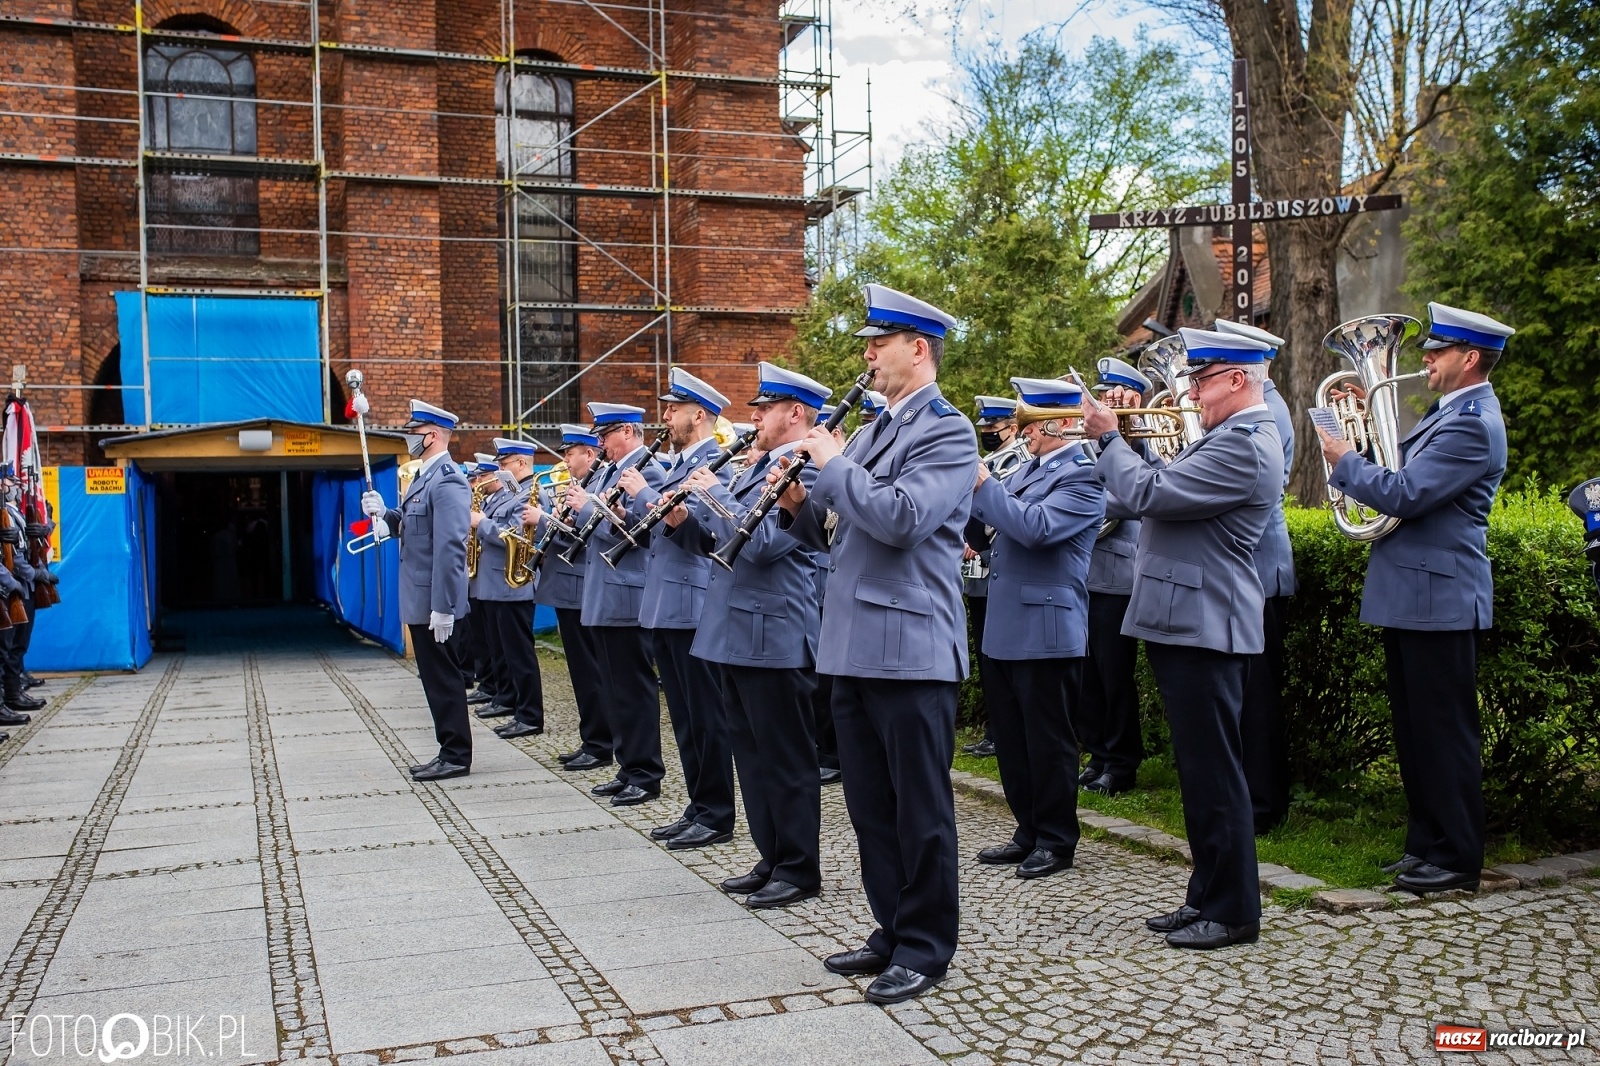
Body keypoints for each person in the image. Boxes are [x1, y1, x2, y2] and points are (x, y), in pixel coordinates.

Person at [776, 283, 976, 1005]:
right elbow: (833, 534)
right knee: (869, 806)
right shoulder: (870, 432)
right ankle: (891, 929)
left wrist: (832, 466)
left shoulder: (947, 431)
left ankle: (926, 947)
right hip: (854, 642)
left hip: (911, 646)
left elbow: (902, 518)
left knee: (919, 810)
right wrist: (798, 501)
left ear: (917, 349)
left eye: (879, 342)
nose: (866, 354)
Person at [1084, 326, 1282, 949]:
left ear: (1237, 379)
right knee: (1201, 773)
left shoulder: (1246, 444)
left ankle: (1234, 911)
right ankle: (1206, 894)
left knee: (1216, 773)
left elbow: (1148, 493)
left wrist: (1109, 437)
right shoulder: (1225, 437)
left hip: (1206, 624)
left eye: (1201, 379)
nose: (1191, 391)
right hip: (1188, 620)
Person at [1316, 302, 1512, 894]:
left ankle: (1456, 858)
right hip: (1417, 593)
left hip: (1440, 595)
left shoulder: (1472, 422)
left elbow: (1404, 493)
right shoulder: (1448, 413)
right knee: (1416, 731)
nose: (1424, 358)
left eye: (1438, 350)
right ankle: (1426, 846)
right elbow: (1397, 472)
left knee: (1443, 733)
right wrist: (1348, 429)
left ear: (1469, 358)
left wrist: (1345, 460)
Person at [669, 363, 832, 905]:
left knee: (784, 758)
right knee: (751, 755)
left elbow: (762, 545)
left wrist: (712, 495)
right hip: (735, 630)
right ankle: (772, 855)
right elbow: (718, 542)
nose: (753, 417)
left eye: (764, 408)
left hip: (777, 633)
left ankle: (799, 868)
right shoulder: (752, 467)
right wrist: (681, 524)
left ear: (797, 414)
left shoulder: (808, 473)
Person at [970, 377, 1104, 879]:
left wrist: (984, 486)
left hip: (1048, 625)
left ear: (1059, 423)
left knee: (1048, 741)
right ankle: (1027, 828)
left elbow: (1036, 529)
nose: (1022, 431)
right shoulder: (1028, 469)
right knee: (1011, 736)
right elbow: (991, 533)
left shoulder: (1083, 475)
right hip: (1007, 623)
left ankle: (1056, 838)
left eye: (1031, 421)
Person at [617, 368, 737, 848]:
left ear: (700, 415)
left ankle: (717, 813)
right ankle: (698, 803)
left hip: (693, 603)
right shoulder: (675, 465)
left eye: (674, 409)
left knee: (706, 717)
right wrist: (630, 512)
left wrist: (645, 497)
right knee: (685, 718)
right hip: (667, 603)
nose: (665, 416)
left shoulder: (717, 466)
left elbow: (705, 538)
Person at [362, 400, 473, 782]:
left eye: (414, 431)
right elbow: (416, 526)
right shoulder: (423, 477)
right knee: (433, 678)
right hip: (421, 597)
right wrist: (387, 517)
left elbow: (450, 548)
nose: (409, 437)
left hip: (434, 602)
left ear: (431, 435)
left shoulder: (448, 479)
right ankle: (448, 748)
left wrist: (443, 607)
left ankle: (457, 754)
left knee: (444, 678)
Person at [1215, 319, 1296, 832]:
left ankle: (1264, 805)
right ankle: (1248, 795)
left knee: (1259, 697)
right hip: (1245, 564)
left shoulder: (1269, 410)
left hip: (1258, 564)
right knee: (1244, 694)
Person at [571, 402, 666, 807]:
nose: (600, 444)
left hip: (628, 591)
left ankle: (645, 774)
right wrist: (578, 510)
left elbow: (642, 530)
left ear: (627, 431)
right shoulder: (610, 472)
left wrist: (588, 507)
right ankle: (628, 767)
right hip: (604, 591)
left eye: (605, 435)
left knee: (634, 689)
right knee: (614, 688)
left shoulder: (650, 471)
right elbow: (593, 527)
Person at [1077, 357, 1149, 795]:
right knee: (1088, 675)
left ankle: (1122, 763)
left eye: (1113, 395)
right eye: (1103, 394)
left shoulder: (1137, 442)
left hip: (1117, 574)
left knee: (1114, 676)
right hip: (1085, 572)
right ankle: (1099, 752)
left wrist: (1076, 504)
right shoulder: (1098, 442)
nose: (1106, 401)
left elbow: (1131, 496)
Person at [528, 425, 613, 771]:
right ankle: (591, 738)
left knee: (591, 672)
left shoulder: (596, 487)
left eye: (570, 452)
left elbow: (586, 536)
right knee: (579, 672)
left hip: (581, 587)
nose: (565, 459)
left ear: (590, 454)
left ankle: (600, 743)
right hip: (567, 587)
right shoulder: (578, 487)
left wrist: (546, 517)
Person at [472, 439, 546, 740]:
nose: (499, 471)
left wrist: (481, 523)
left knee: (519, 655)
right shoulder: (509, 494)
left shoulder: (528, 494)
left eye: (504, 465)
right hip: (496, 583)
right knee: (502, 650)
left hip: (514, 584)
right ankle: (511, 702)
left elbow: (515, 537)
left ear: (521, 463)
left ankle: (529, 714)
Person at [961, 395, 1019, 759]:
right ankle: (995, 730)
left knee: (1003, 662)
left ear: (1011, 428)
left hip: (999, 567)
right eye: (983, 429)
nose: (987, 435)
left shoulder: (1015, 466)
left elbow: (1012, 515)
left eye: (992, 429)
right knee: (987, 661)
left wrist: (981, 546)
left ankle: (1004, 732)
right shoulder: (991, 463)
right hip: (978, 571)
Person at [465, 457, 512, 719]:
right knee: (488, 642)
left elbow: (510, 535)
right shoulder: (488, 501)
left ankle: (507, 696)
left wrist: (481, 523)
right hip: (484, 579)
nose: (479, 481)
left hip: (503, 581)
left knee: (507, 648)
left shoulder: (515, 496)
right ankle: (494, 688)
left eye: (484, 476)